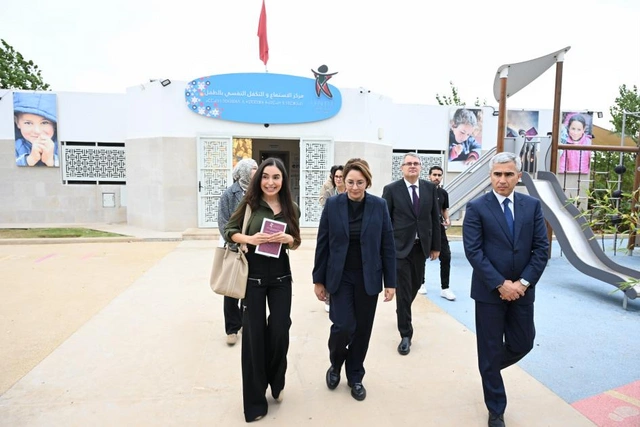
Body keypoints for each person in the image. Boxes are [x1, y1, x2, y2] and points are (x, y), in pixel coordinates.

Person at [462, 152, 549, 427]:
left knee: (523, 342)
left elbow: (541, 248)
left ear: (518, 176)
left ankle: (487, 367)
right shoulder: (476, 207)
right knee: (489, 347)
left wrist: (522, 283)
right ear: (490, 176)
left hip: (522, 291)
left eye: (508, 174)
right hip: (489, 292)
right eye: (497, 174)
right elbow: (474, 251)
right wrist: (501, 284)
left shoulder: (532, 206)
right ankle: (496, 409)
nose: (502, 179)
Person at [223, 157, 301, 423]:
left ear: (283, 180)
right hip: (253, 279)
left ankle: (276, 381)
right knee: (254, 338)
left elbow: (296, 241)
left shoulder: (291, 207)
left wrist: (289, 239)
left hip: (281, 279)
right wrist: (249, 238)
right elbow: (230, 230)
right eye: (265, 177)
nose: (270, 182)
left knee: (279, 331)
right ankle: (255, 402)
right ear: (259, 179)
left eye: (276, 177)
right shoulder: (249, 204)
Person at [313, 158, 396, 402]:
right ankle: (335, 364)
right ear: (342, 181)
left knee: (362, 330)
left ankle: (356, 375)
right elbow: (322, 243)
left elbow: (387, 245)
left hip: (368, 277)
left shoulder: (379, 206)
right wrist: (318, 280)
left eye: (360, 182)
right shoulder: (333, 205)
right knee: (343, 326)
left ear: (367, 182)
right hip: (340, 276)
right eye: (350, 182)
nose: (354, 187)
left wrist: (390, 282)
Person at [382, 153, 440, 356]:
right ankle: (406, 334)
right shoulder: (391, 189)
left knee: (415, 285)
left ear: (420, 167)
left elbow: (434, 218)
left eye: (416, 163)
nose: (412, 166)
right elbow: (385, 220)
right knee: (404, 290)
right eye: (408, 163)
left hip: (420, 247)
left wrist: (436, 246)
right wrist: (385, 248)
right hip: (399, 248)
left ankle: (402, 308)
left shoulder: (429, 188)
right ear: (402, 168)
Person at [218, 158, 258, 346]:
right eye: (253, 168)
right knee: (232, 288)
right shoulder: (229, 194)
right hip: (235, 248)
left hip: (254, 248)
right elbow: (223, 224)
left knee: (249, 288)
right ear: (243, 172)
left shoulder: (259, 192)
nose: (257, 171)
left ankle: (245, 322)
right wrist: (237, 242)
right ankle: (232, 328)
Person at [418, 166, 455, 301]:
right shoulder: (422, 191)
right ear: (429, 176)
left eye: (439, 175)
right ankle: (421, 283)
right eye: (434, 175)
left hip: (439, 228)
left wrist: (447, 219)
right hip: (424, 228)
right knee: (421, 256)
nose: (437, 177)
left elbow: (444, 209)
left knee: (446, 257)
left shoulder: (443, 193)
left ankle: (445, 288)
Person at [318, 165, 345, 312]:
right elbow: (324, 206)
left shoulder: (351, 192)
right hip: (332, 232)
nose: (339, 179)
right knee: (330, 266)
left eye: (341, 177)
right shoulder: (329, 191)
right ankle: (328, 298)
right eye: (336, 177)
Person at [14, 92, 59, 167]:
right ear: (17, 123)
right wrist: (30, 159)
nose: (37, 131)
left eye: (44, 123)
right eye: (28, 123)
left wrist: (51, 161)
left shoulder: (62, 146)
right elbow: (7, 169)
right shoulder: (14, 146)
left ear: (54, 124)